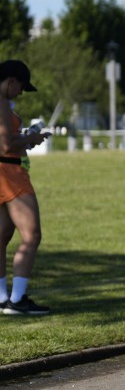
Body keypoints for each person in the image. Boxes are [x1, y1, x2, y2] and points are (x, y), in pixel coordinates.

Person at [0, 60, 51, 316]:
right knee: (31, 236)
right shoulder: (1, 103)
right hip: (10, 174)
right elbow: (5, 145)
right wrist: (30, 137)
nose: (20, 93)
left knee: (1, 237)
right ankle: (17, 300)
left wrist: (25, 139)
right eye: (21, 86)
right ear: (11, 80)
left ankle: (1, 298)